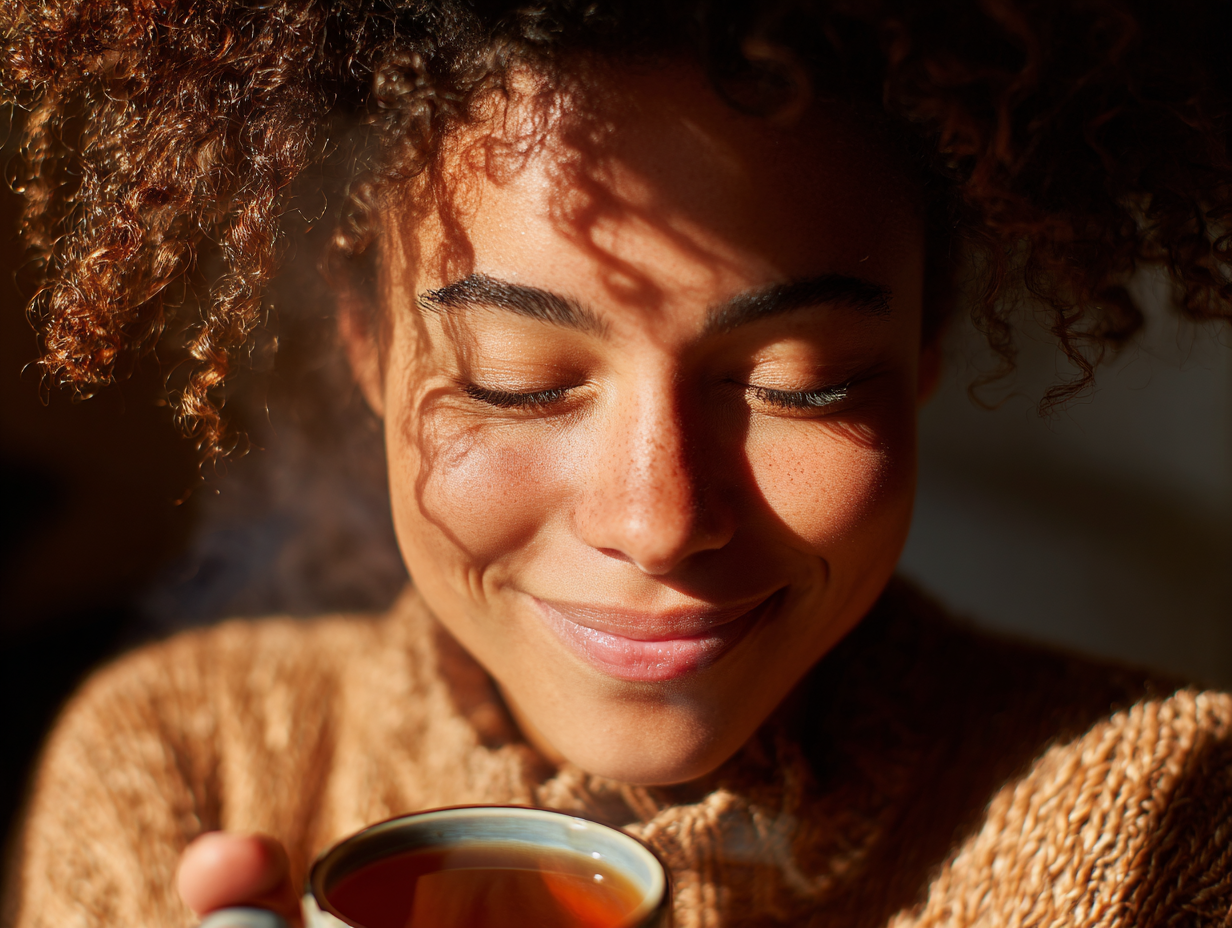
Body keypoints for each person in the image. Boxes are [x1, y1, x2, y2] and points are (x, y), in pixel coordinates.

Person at [3, 1, 1231, 926]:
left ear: (921, 351)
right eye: (516, 380)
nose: (657, 517)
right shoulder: (184, 761)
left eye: (797, 381)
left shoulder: (1166, 822)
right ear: (369, 345)